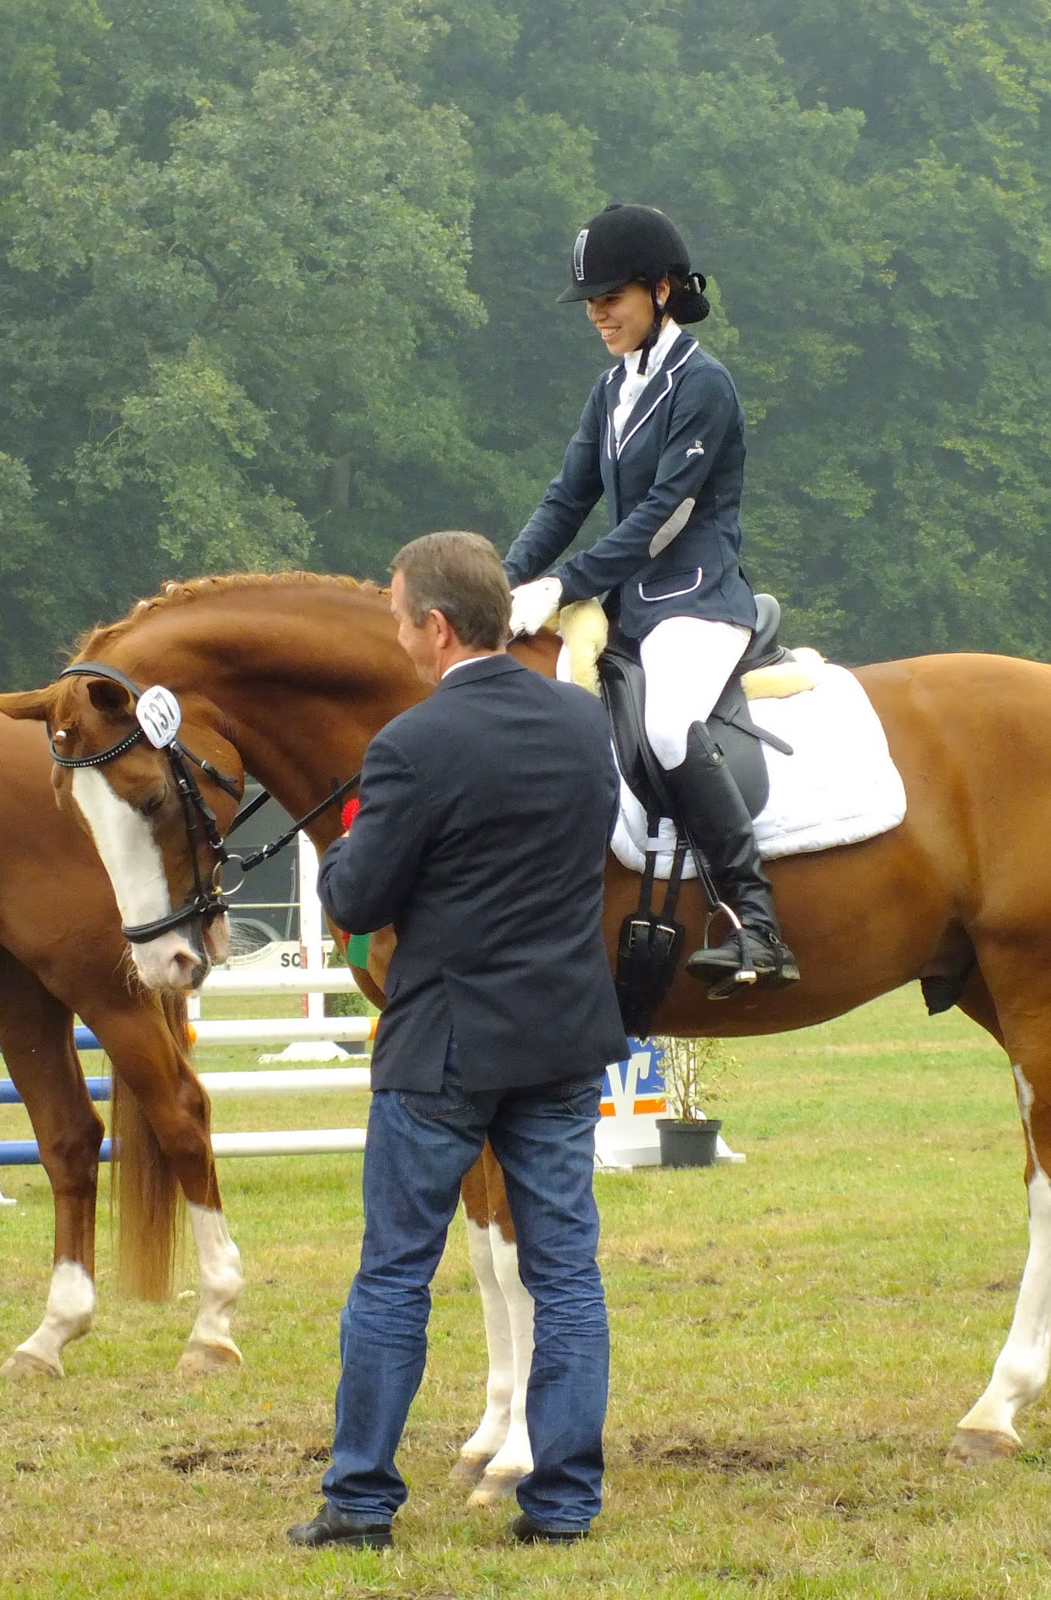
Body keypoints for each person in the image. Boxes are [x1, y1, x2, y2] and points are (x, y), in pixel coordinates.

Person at [286, 529, 628, 1550]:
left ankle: (360, 1501)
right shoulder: (582, 721)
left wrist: (347, 839)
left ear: (437, 627)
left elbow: (357, 898)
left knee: (394, 1273)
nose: (396, 635)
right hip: (561, 1032)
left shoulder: (411, 744)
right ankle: (562, 1503)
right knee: (567, 1275)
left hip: (443, 1040)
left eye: (399, 618)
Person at [505, 202, 799, 996]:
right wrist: (500, 583)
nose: (596, 314)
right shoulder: (611, 389)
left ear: (660, 290)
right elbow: (565, 499)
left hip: (698, 600)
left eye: (611, 297)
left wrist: (563, 583)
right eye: (590, 301)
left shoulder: (702, 384)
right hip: (632, 605)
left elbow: (664, 517)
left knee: (669, 724)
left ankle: (758, 924)